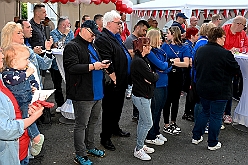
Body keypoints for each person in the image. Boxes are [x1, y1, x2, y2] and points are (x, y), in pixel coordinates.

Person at [63, 20, 110, 165]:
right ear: (83, 29)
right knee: (81, 124)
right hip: (83, 93)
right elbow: (72, 67)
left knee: (93, 122)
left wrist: (102, 66)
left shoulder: (92, 44)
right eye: (92, 33)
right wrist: (93, 66)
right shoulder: (72, 46)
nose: (93, 37)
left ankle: (90, 147)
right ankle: (80, 154)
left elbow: (95, 62)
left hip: (97, 92)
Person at [192, 27, 240, 150]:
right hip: (220, 90)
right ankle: (212, 143)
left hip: (203, 87)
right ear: (218, 38)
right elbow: (236, 70)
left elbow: (196, 65)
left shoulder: (201, 50)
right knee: (216, 116)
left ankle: (196, 137)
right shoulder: (225, 53)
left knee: (205, 112)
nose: (225, 39)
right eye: (224, 37)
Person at [0, 46, 44, 165]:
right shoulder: (7, 75)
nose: (2, 56)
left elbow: (31, 82)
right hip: (12, 153)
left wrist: (33, 88)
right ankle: (36, 137)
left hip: (21, 148)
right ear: (14, 62)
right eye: (26, 59)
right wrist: (33, 117)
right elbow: (5, 129)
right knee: (28, 118)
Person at [94, 10, 132, 151]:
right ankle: (105, 137)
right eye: (118, 23)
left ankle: (115, 128)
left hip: (121, 79)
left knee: (118, 107)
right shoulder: (103, 38)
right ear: (109, 23)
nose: (121, 25)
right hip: (113, 81)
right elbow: (106, 60)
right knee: (110, 109)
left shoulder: (115, 36)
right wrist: (114, 77)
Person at [131, 37, 159, 160]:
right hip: (141, 95)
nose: (150, 47)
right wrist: (153, 76)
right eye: (148, 46)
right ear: (143, 47)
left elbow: (151, 76)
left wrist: (152, 76)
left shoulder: (142, 59)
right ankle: (138, 149)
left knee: (143, 121)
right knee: (148, 122)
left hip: (144, 94)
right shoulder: (139, 61)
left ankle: (140, 145)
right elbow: (152, 76)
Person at [4, 21, 54, 89]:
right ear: (9, 35)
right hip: (20, 96)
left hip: (37, 91)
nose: (22, 34)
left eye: (22, 32)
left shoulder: (28, 50)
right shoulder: (4, 54)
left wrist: (48, 49)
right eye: (19, 33)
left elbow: (44, 65)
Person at [161, 26, 190, 135]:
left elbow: (186, 64)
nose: (166, 35)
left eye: (168, 33)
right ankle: (166, 124)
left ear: (173, 34)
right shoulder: (165, 46)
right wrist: (175, 61)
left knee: (176, 100)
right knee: (167, 100)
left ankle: (173, 122)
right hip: (168, 75)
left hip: (178, 76)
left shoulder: (184, 47)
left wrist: (172, 62)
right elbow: (162, 61)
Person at [145, 29, 171, 145]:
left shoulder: (159, 51)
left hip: (164, 82)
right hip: (157, 84)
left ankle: (156, 131)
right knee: (154, 111)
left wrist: (167, 66)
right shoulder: (150, 52)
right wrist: (167, 65)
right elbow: (162, 65)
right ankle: (150, 135)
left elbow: (166, 66)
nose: (162, 39)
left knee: (159, 109)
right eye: (160, 37)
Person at [222, 15, 248, 124]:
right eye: (244, 25)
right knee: (221, 88)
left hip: (235, 66)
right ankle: (218, 113)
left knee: (229, 88)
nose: (245, 28)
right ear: (238, 24)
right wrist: (228, 50)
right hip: (222, 64)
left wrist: (239, 49)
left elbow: (246, 47)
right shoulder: (223, 30)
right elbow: (216, 45)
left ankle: (226, 113)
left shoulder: (242, 34)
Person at [124, 20, 149, 120]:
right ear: (137, 27)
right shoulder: (130, 39)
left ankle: (138, 112)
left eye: (146, 31)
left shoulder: (138, 39)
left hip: (138, 68)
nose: (144, 33)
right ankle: (136, 113)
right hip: (133, 69)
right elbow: (131, 54)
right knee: (137, 90)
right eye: (143, 30)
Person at [50, 16, 74, 112]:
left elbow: (72, 45)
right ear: (63, 25)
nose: (69, 25)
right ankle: (60, 104)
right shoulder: (53, 33)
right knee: (57, 85)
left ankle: (69, 103)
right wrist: (64, 35)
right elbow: (58, 45)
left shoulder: (71, 32)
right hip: (56, 64)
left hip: (68, 63)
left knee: (69, 83)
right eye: (68, 24)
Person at [182, 27, 199, 122]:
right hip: (187, 73)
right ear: (191, 36)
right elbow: (189, 61)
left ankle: (188, 112)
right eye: (196, 35)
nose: (198, 37)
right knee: (190, 93)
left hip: (189, 72)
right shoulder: (187, 46)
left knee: (191, 93)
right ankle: (188, 112)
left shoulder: (192, 45)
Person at [29, 4, 49, 87]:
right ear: (37, 13)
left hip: (43, 57)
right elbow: (27, 42)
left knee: (41, 82)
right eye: (44, 12)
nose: (46, 14)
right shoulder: (29, 26)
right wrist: (32, 50)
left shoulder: (41, 25)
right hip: (34, 59)